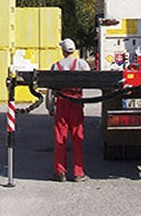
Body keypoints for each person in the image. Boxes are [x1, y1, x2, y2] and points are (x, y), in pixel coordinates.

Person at [46, 38, 90, 182]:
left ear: (63, 51)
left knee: (60, 138)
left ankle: (60, 172)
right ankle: (78, 172)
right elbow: (90, 80)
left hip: (62, 103)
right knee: (77, 137)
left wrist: (50, 106)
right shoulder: (82, 64)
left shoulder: (56, 66)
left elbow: (50, 90)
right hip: (76, 103)